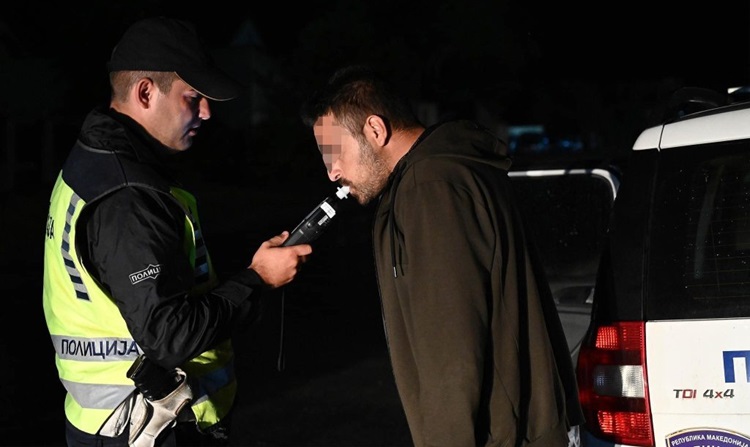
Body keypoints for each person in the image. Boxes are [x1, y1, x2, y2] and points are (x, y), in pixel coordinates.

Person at [42, 16, 312, 447]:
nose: (206, 112)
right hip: (145, 429)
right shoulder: (127, 196)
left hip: (112, 424)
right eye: (193, 97)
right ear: (145, 92)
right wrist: (258, 278)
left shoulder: (94, 163)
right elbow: (168, 335)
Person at [300, 65, 585, 446]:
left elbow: (451, 349)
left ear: (375, 130)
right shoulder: (444, 173)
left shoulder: (430, 188)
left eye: (334, 153)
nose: (332, 172)